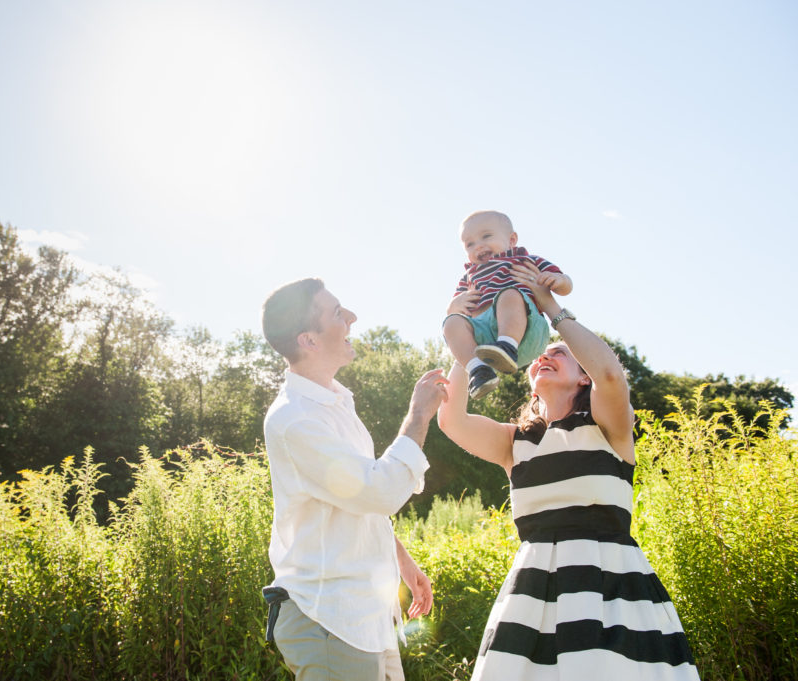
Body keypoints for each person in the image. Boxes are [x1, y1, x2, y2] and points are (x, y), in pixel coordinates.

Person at [436, 259, 700, 680]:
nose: (544, 356)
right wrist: (467, 331)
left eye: (558, 353)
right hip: (533, 596)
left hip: (612, 592)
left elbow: (610, 374)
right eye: (540, 355)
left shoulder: (607, 428)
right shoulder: (516, 441)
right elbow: (451, 420)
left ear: (582, 378)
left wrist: (551, 310)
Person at [260, 277, 448, 681]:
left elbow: (356, 498)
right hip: (330, 621)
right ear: (308, 339)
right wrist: (418, 417)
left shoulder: (337, 403)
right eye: (337, 313)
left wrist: (400, 560)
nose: (352, 318)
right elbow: (379, 490)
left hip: (368, 618)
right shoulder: (295, 419)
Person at [443, 210, 572, 400]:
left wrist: (556, 280)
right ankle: (479, 371)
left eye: (486, 236)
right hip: (484, 341)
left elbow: (566, 285)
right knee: (451, 322)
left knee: (509, 293)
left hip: (525, 331)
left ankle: (507, 346)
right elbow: (456, 310)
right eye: (470, 244)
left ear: (511, 240)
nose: (478, 246)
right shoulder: (470, 275)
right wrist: (454, 306)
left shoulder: (523, 260)